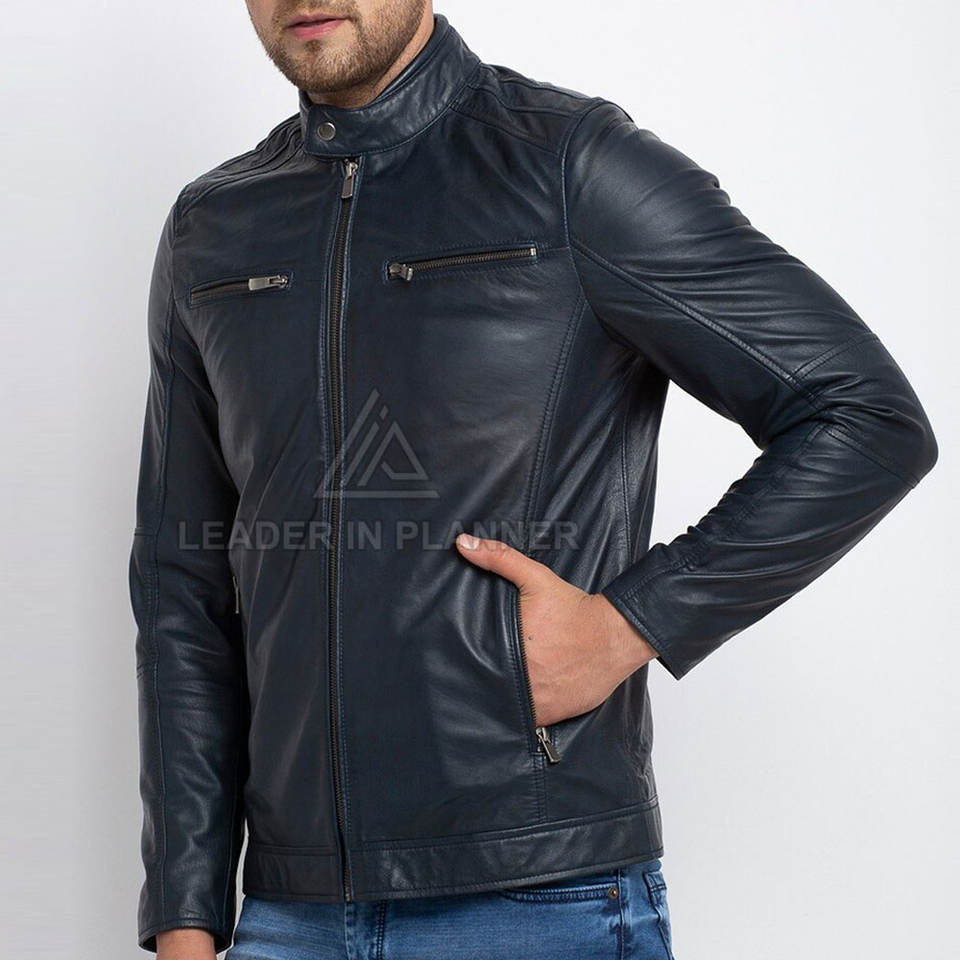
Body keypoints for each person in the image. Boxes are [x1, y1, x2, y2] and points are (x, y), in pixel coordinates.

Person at [128, 2, 938, 958]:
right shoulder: (215, 225)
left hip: (539, 899)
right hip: (285, 915)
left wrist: (629, 623)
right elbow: (183, 587)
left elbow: (866, 417)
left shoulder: (569, 166)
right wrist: (185, 913)